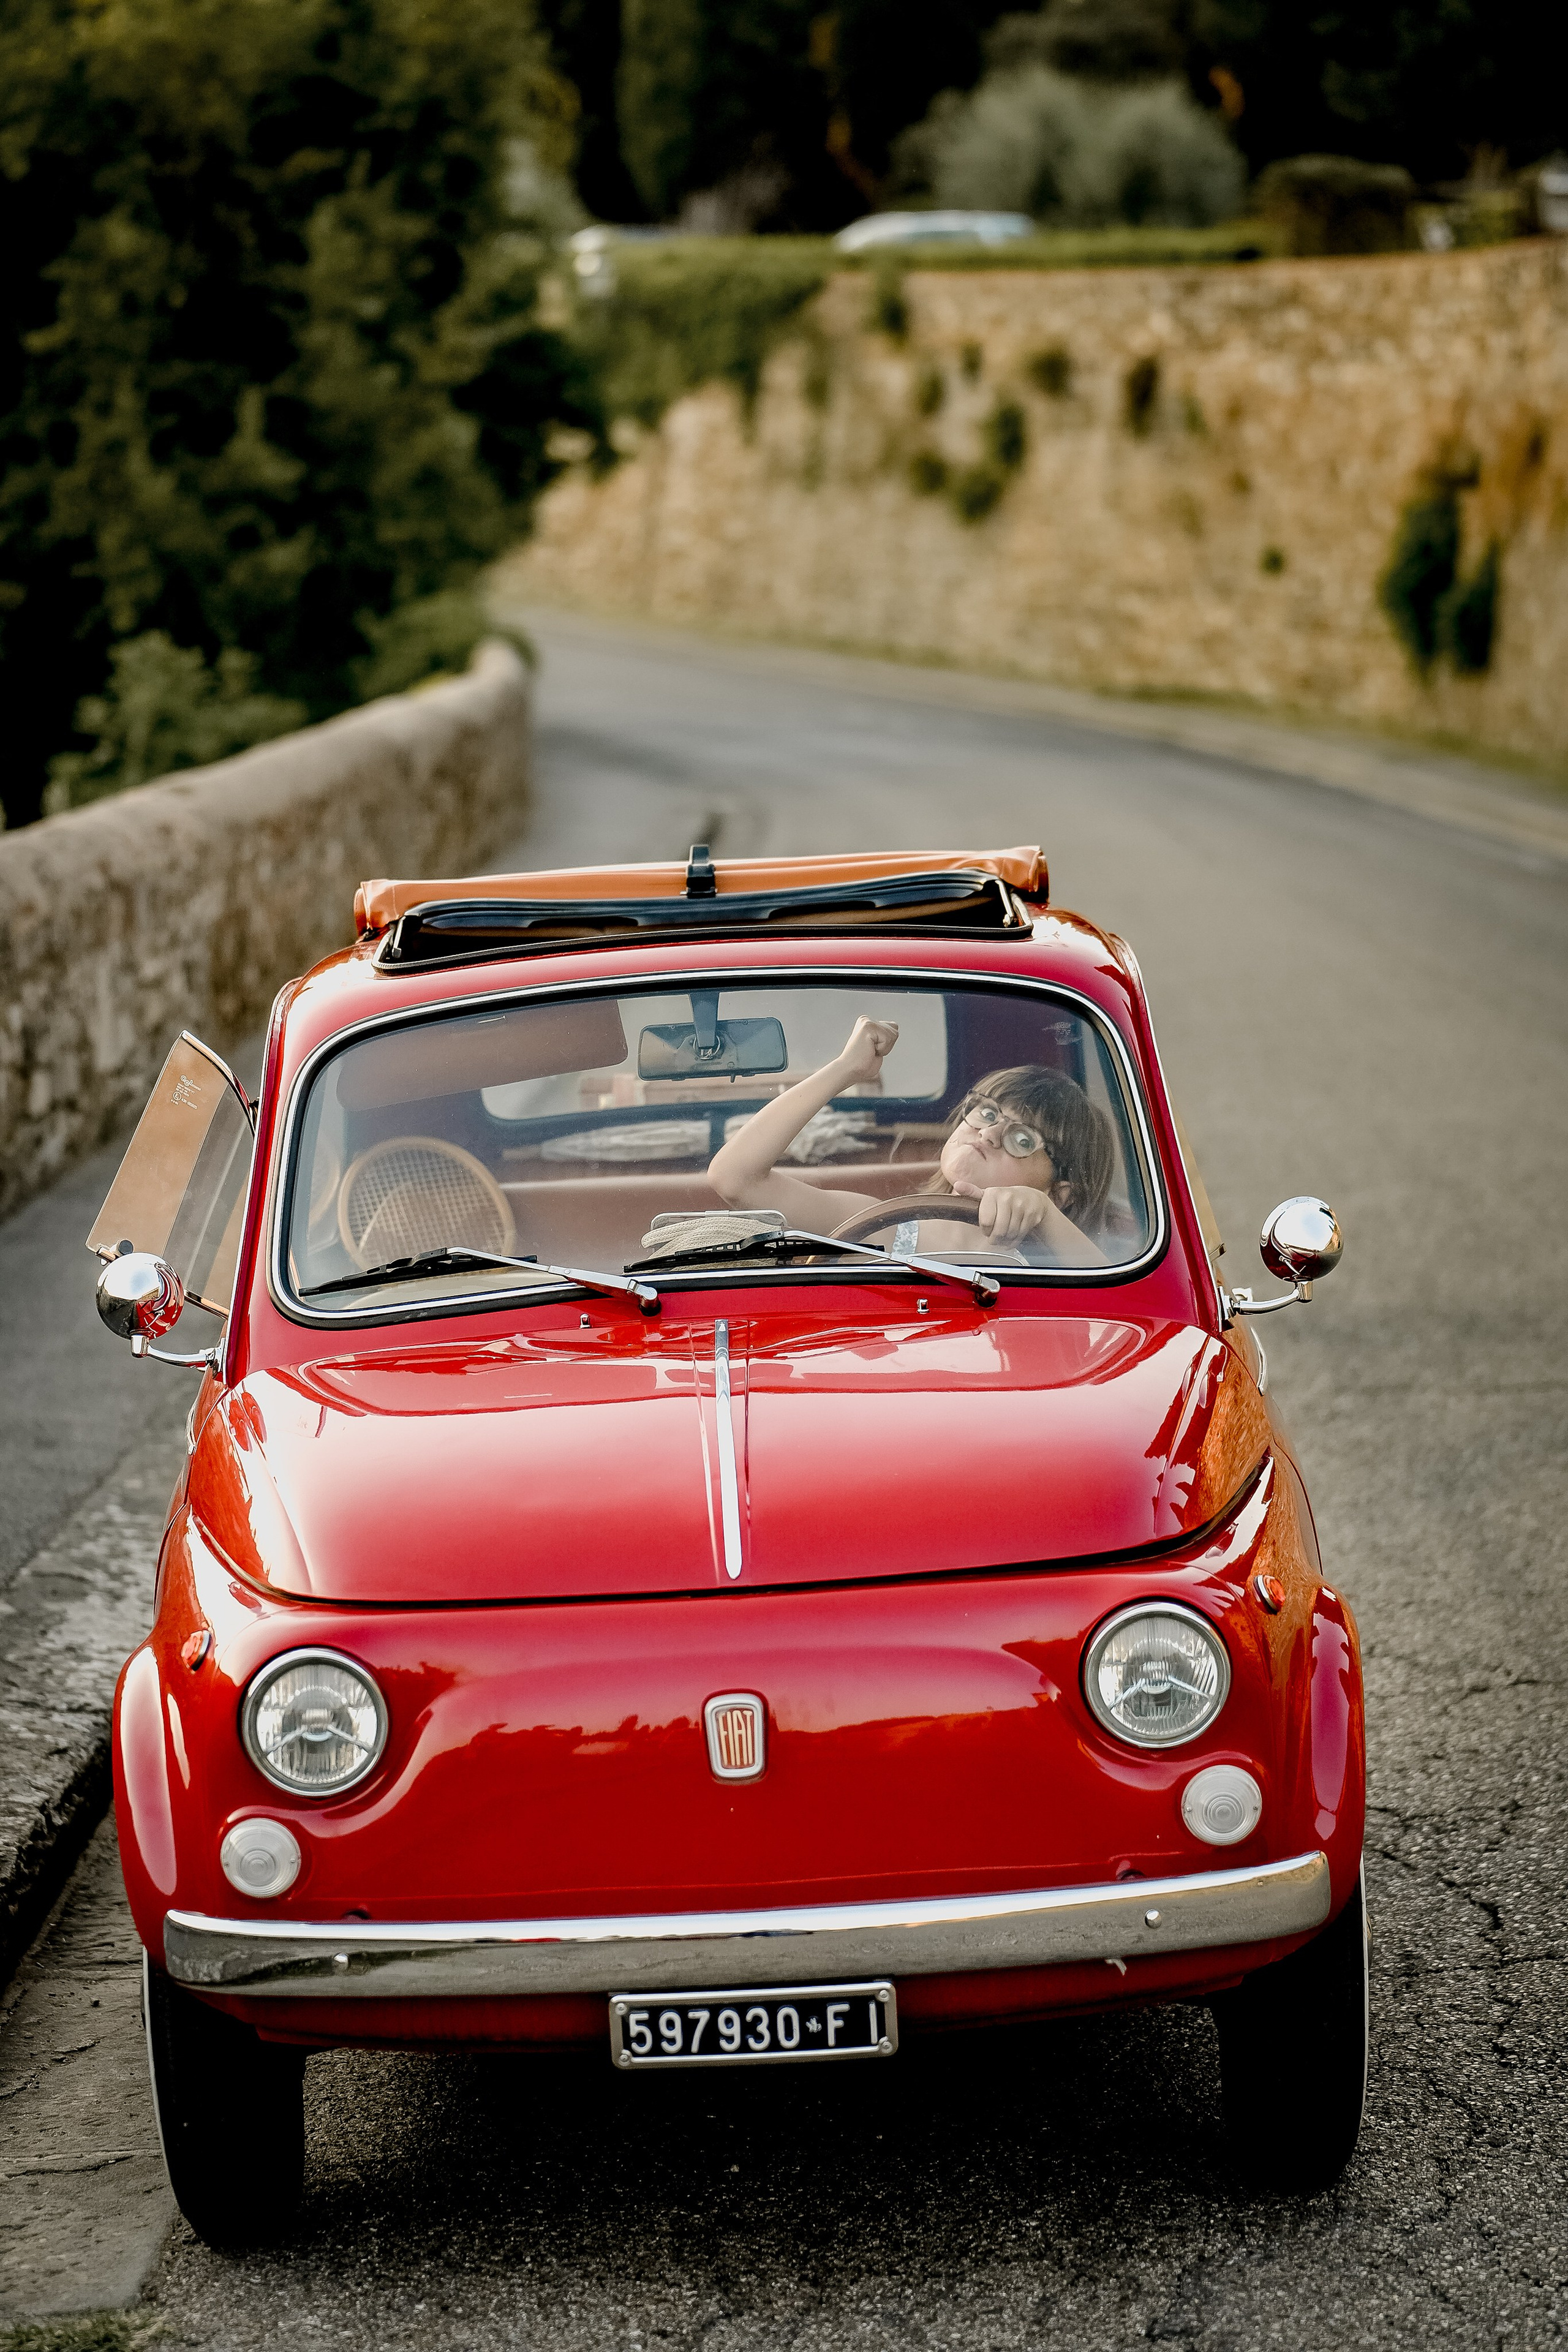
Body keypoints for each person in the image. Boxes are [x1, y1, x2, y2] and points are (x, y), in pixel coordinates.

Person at [707, 1016, 1112, 1265]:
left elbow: (1112, 1313)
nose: (989, 1134)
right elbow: (737, 1180)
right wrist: (846, 1069)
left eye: (1023, 1139)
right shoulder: (882, 1229)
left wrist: (1043, 1216)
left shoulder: (1057, 1265)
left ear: (1061, 1194)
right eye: (987, 1113)